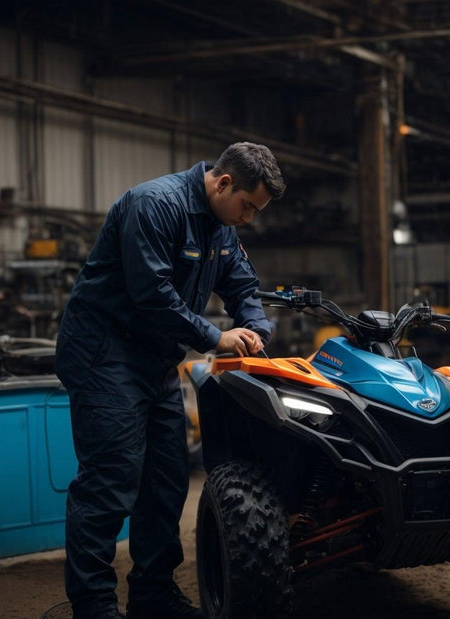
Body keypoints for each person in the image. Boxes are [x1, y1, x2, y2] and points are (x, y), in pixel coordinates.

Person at [54, 142, 284, 619]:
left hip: (155, 362)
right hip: (105, 355)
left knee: (166, 482)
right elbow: (152, 295)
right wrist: (216, 338)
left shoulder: (221, 227)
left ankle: (152, 595)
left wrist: (257, 330)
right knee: (111, 481)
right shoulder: (155, 206)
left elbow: (242, 286)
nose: (249, 218)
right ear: (223, 183)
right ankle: (94, 605)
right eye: (247, 206)